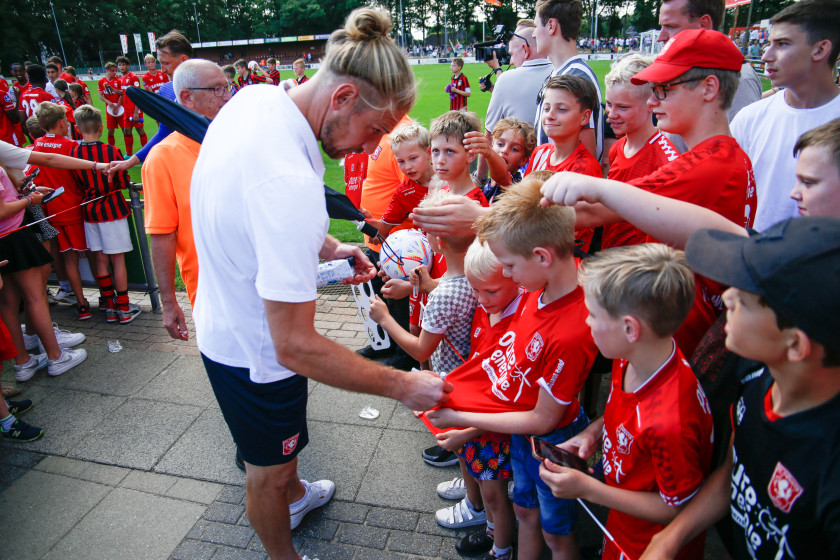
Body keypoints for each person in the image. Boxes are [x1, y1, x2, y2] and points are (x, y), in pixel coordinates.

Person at [189, 9, 451, 560]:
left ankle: (299, 493)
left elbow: (247, 204)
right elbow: (296, 345)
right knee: (267, 469)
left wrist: (327, 245)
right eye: (375, 131)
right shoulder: (290, 182)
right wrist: (404, 387)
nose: (366, 148)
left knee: (284, 456)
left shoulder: (256, 99)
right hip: (254, 352)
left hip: (226, 319)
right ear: (343, 98)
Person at [633, 217, 840, 560]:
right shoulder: (757, 377)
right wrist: (671, 537)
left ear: (795, 345)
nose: (727, 296)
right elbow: (734, 467)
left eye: (746, 299)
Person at [427, 175, 599, 560]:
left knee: (559, 533)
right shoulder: (537, 288)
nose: (505, 275)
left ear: (541, 257)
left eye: (508, 265)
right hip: (523, 437)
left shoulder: (570, 331)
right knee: (524, 510)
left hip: (554, 441)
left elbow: (542, 419)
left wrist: (460, 415)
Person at [538, 244, 714, 560]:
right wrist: (593, 433)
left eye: (592, 314)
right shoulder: (632, 356)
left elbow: (677, 508)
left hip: (645, 546)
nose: (586, 322)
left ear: (630, 328)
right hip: (622, 523)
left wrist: (588, 489)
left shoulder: (670, 422)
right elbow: (627, 407)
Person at [434, 239, 523, 560]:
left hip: (490, 430)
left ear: (516, 277)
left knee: (496, 497)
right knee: (489, 493)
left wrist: (465, 428)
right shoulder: (490, 310)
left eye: (491, 291)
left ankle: (501, 549)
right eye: (475, 291)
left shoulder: (517, 324)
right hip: (473, 417)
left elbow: (509, 396)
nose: (481, 300)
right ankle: (490, 532)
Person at [730, 0, 840, 231]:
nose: (767, 55)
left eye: (782, 44)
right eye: (769, 43)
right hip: (755, 258)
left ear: (820, 49)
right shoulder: (749, 118)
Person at [141, 59, 232, 337]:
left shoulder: (238, 141)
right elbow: (161, 234)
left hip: (266, 287)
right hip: (214, 296)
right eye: (217, 90)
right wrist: (169, 304)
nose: (227, 97)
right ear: (187, 97)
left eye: (227, 88)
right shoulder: (163, 157)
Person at [0, 165, 88, 383]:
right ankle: (56, 357)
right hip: (13, 234)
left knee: (8, 302)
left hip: (5, 237)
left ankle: (23, 361)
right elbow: (1, 210)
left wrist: (26, 193)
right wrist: (30, 201)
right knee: (35, 297)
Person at [601, 53, 679, 250]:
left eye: (623, 107)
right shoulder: (618, 147)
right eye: (609, 104)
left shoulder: (666, 159)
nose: (612, 114)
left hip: (640, 265)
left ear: (650, 105)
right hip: (611, 256)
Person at [70, 104, 139, 324]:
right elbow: (122, 181)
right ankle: (124, 307)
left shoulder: (74, 152)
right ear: (101, 128)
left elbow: (75, 182)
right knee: (117, 259)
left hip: (89, 209)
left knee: (100, 258)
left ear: (79, 129)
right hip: (111, 208)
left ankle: (110, 307)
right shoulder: (111, 151)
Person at [656, 0, 762, 141]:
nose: (660, 37)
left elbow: (740, 149)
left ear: (704, 24)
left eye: (670, 26)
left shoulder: (738, 77)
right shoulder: (685, 70)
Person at [527, 75, 602, 252]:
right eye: (546, 108)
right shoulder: (540, 152)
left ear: (584, 118)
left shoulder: (585, 170)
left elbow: (571, 232)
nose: (550, 116)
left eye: (561, 109)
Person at [31, 102, 91, 320]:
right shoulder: (70, 145)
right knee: (87, 255)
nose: (67, 123)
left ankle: (78, 300)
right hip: (73, 208)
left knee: (65, 256)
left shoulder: (36, 145)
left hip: (50, 211)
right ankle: (99, 300)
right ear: (60, 122)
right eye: (65, 120)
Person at [477, 20, 552, 183]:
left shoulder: (507, 79)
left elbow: (489, 136)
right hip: (555, 175)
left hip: (516, 178)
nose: (510, 61)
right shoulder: (562, 73)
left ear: (525, 50)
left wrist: (481, 181)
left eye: (511, 54)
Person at [109, 30, 193, 175]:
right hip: (179, 169)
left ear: (183, 59)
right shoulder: (166, 90)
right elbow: (163, 133)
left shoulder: (212, 89)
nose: (163, 69)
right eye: (160, 63)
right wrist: (129, 162)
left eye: (165, 63)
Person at [532, 0, 604, 159]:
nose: (533, 33)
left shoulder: (577, 76)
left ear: (551, 25)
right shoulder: (559, 72)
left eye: (536, 26)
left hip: (564, 182)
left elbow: (585, 159)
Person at [367, 121, 435, 239]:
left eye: (413, 158)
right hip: (425, 252)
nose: (408, 166)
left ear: (428, 153)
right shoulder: (404, 192)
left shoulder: (449, 177)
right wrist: (366, 220)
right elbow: (384, 227)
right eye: (401, 161)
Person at [472, 117, 536, 203]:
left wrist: (489, 154)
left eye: (514, 149)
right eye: (500, 144)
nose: (505, 150)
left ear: (523, 161)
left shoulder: (513, 184)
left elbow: (502, 178)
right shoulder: (489, 183)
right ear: (492, 147)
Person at [430, 110, 488, 205]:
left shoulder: (473, 205)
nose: (440, 160)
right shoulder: (443, 192)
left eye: (450, 151)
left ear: (471, 155)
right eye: (436, 151)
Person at [115, 56, 148, 156]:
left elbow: (138, 95)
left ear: (127, 66)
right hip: (127, 111)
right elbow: (124, 94)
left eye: (123, 65)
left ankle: (146, 153)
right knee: (127, 131)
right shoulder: (122, 78)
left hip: (135, 109)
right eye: (119, 65)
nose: (121, 67)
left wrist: (136, 112)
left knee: (140, 131)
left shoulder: (133, 77)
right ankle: (128, 153)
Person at [97, 62, 123, 147]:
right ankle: (112, 150)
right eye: (112, 71)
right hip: (109, 109)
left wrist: (117, 107)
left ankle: (128, 153)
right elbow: (100, 95)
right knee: (110, 132)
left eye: (115, 71)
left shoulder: (119, 81)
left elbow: (122, 95)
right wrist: (108, 102)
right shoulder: (101, 82)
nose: (115, 73)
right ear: (107, 70)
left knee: (126, 130)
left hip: (120, 109)